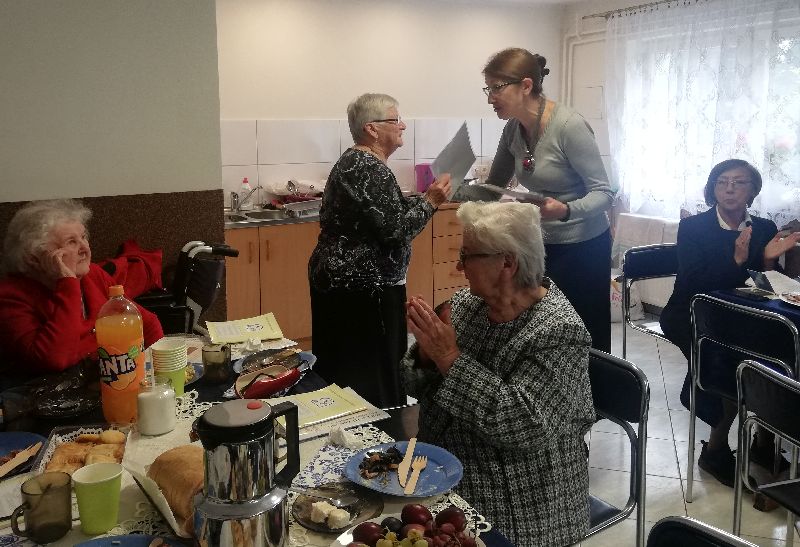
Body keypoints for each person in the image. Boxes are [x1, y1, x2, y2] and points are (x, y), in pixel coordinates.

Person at [402, 201, 595, 546]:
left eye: (467, 256)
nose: (459, 266)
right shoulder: (467, 304)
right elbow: (411, 382)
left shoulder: (559, 331)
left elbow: (525, 425)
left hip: (520, 498)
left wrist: (448, 357)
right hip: (443, 467)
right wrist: (427, 357)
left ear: (507, 262)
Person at [457, 47, 614, 352]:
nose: (490, 98)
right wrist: (447, 190)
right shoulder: (513, 129)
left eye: (497, 88)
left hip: (582, 247)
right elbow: (493, 188)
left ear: (526, 86)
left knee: (584, 331)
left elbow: (605, 193)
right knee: (544, 329)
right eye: (488, 89)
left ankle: (595, 383)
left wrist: (565, 210)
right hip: (538, 245)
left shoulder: (568, 126)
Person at [660, 159, 800, 487]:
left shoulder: (763, 227)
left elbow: (767, 283)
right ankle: (715, 450)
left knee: (779, 352)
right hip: (692, 312)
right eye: (723, 182)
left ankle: (764, 442)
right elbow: (693, 282)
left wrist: (768, 260)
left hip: (743, 314)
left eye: (739, 182)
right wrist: (735, 260)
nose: (730, 189)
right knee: (730, 362)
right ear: (713, 189)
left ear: (753, 191)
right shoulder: (693, 227)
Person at [308, 93, 451, 408]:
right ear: (372, 129)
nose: (403, 125)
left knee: (342, 368)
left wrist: (423, 199)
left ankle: (348, 421)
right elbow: (395, 233)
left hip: (343, 282)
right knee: (369, 373)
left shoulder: (357, 162)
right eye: (395, 120)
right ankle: (377, 428)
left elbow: (386, 216)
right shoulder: (369, 168)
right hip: (363, 289)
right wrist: (431, 201)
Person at [0, 199, 164, 381]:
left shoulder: (93, 275)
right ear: (34, 258)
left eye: (84, 237)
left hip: (109, 381)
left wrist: (159, 375)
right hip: (56, 393)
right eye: (71, 242)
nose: (85, 248)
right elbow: (56, 358)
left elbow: (147, 324)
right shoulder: (10, 297)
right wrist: (68, 283)